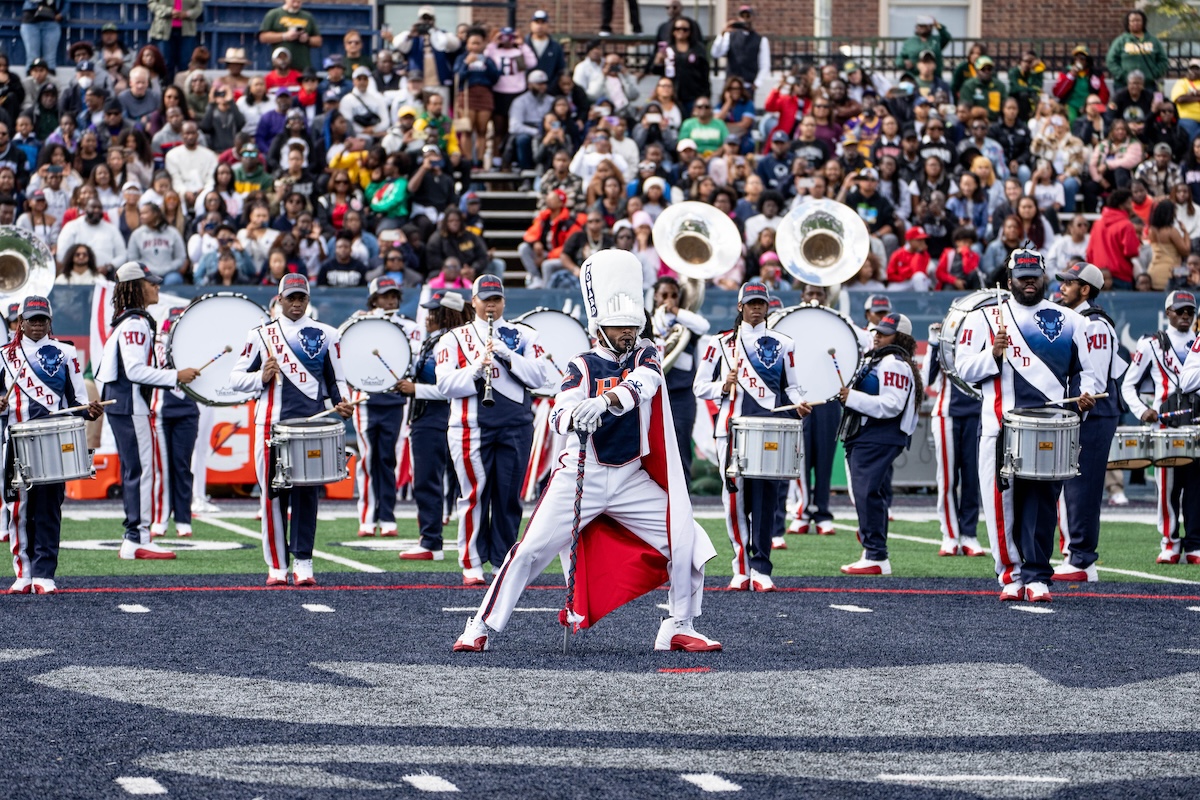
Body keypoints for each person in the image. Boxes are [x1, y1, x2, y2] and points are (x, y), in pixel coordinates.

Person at [454, 250, 720, 653]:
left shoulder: (646, 352)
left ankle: (679, 624)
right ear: (600, 327)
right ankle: (480, 625)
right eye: (620, 325)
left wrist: (606, 401)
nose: (629, 331)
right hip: (584, 471)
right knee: (529, 552)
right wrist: (575, 416)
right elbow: (559, 413)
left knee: (689, 541)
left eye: (633, 324)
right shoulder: (582, 364)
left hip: (631, 476)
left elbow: (646, 381)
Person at [955, 249, 1101, 602]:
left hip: (1050, 428)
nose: (1029, 282)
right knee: (1000, 505)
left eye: (1034, 276)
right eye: (1022, 277)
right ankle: (1011, 574)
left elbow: (1089, 372)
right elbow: (963, 368)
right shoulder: (983, 318)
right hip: (998, 426)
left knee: (1041, 505)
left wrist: (1085, 396)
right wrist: (993, 353)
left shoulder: (1070, 320)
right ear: (1009, 281)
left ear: (1044, 277)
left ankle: (1037, 576)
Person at [228, 274, 352, 586]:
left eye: (301, 298)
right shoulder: (261, 334)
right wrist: (260, 377)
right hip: (269, 427)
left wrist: (343, 402)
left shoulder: (328, 334)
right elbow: (235, 379)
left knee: (307, 494)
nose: (296, 303)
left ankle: (304, 561)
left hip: (311, 427)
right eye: (290, 298)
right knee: (272, 497)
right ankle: (277, 566)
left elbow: (336, 379)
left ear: (308, 299)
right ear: (280, 299)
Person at [435, 275, 554, 586]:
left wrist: (507, 355)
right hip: (470, 426)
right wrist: (476, 369)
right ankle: (472, 562)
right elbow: (444, 384)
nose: (491, 305)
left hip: (516, 425)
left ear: (504, 301)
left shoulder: (524, 334)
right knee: (474, 494)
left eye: (496, 299)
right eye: (485, 299)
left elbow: (539, 378)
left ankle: (503, 559)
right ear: (473, 301)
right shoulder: (454, 338)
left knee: (508, 495)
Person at [694, 282, 809, 591]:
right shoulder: (720, 343)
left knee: (766, 500)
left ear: (768, 307)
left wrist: (800, 403)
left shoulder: (784, 343)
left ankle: (761, 567)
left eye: (761, 303)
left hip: (770, 428)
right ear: (740, 307)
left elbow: (792, 387)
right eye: (751, 303)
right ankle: (741, 566)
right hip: (730, 430)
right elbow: (699, 386)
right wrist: (723, 385)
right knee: (734, 501)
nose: (756, 308)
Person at [97, 262, 201, 561]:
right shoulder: (135, 323)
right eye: (150, 283)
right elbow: (134, 371)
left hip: (123, 403)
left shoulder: (127, 320)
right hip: (130, 404)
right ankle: (138, 537)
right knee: (142, 470)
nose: (157, 287)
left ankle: (136, 536)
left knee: (136, 470)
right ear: (135, 287)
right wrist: (175, 376)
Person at [1, 295, 103, 594]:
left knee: (48, 508)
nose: (37, 324)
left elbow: (77, 401)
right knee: (18, 509)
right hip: (15, 440)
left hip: (53, 440)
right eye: (31, 319)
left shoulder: (66, 353)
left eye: (42, 319)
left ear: (50, 322)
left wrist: (90, 411)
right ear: (21, 322)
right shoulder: (4, 355)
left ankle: (44, 573)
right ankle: (23, 572)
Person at [1052, 262, 1124, 582]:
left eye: (1069, 283)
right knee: (1071, 483)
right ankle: (1075, 554)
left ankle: (1082, 559)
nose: (1062, 287)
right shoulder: (1077, 320)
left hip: (1092, 413)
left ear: (1085, 289)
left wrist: (1077, 412)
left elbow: (1093, 381)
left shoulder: (1094, 324)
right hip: (1082, 413)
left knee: (1083, 485)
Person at [838, 313, 922, 575]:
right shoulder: (879, 359)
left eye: (885, 333)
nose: (877, 336)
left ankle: (875, 554)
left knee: (866, 493)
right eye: (877, 331)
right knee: (869, 493)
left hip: (878, 434)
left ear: (901, 338)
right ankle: (873, 551)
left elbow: (892, 405)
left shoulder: (894, 363)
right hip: (869, 434)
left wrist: (852, 398)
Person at [1123, 290, 1199, 565]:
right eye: (1180, 311)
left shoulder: (1198, 342)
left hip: (1196, 426)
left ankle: (1195, 544)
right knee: (1167, 488)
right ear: (1168, 313)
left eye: (1190, 311)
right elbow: (1128, 385)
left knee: (1197, 487)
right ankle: (1170, 541)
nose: (1185, 316)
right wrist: (1142, 411)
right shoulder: (1151, 344)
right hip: (1165, 427)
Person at [398, 290, 464, 561]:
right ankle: (431, 539)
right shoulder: (439, 340)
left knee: (429, 480)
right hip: (430, 417)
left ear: (446, 314)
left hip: (436, 418)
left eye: (434, 311)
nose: (427, 316)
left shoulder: (449, 343)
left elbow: (451, 388)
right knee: (430, 481)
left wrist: (415, 389)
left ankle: (431, 541)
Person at [346, 277, 407, 538]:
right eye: (384, 297)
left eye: (393, 296)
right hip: (366, 401)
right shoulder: (359, 323)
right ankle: (368, 517)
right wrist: (358, 321)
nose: (389, 301)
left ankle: (388, 516)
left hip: (394, 400)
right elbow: (342, 344)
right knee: (370, 458)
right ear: (373, 300)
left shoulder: (405, 325)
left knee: (388, 458)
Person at [923, 317, 983, 556]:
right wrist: (933, 343)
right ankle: (949, 533)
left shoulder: (982, 339)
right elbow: (926, 379)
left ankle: (969, 534)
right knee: (947, 478)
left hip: (977, 414)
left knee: (972, 478)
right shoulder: (944, 342)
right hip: (947, 414)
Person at [650, 276, 709, 482]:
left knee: (681, 447)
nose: (669, 299)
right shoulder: (648, 324)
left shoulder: (686, 323)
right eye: (664, 295)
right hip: (654, 394)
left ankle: (683, 495)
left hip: (681, 396)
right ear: (655, 297)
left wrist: (676, 311)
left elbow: (704, 326)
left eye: (674, 295)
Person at [148, 307, 200, 539]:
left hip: (188, 411)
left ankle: (183, 518)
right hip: (161, 411)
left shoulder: (194, 344)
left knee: (182, 465)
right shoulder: (155, 344)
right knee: (162, 468)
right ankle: (160, 517)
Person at [1086, 188, 1141, 290]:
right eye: (1130, 203)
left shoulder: (1097, 224)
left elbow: (1089, 253)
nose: (1132, 207)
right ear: (1122, 205)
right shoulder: (1127, 225)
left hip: (1098, 277)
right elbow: (1132, 251)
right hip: (1121, 277)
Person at [710, 6, 770, 91]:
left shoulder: (761, 40)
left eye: (747, 16)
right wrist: (722, 33)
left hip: (748, 85)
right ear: (739, 18)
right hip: (730, 84)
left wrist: (757, 83)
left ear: (752, 17)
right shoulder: (729, 36)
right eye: (742, 16)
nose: (745, 19)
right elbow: (715, 53)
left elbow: (765, 64)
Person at [1106, 9, 1168, 91]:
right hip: (1124, 86)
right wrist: (1123, 76)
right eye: (1132, 21)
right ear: (1128, 23)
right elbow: (1111, 61)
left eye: (1138, 20)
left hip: (1149, 85)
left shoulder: (1153, 41)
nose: (1135, 23)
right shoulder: (1120, 41)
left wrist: (1154, 74)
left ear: (1143, 22)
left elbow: (1163, 60)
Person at [258, 0, 322, 73]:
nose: (296, 3)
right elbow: (263, 37)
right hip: (280, 69)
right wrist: (284, 36)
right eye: (293, 1)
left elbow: (318, 41)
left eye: (299, 1)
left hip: (302, 68)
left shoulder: (308, 17)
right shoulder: (274, 14)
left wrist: (307, 39)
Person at [148, 0, 202, 82]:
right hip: (163, 31)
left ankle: (183, 87)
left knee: (185, 63)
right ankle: (165, 87)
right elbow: (152, 3)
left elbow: (199, 7)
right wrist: (169, 11)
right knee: (165, 63)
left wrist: (187, 14)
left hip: (187, 31)